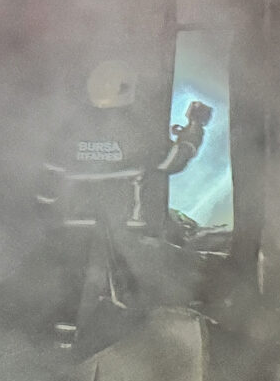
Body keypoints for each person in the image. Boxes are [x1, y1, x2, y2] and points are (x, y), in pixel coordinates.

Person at [40, 58, 210, 351]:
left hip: (72, 229)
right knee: (125, 294)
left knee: (71, 292)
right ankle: (120, 356)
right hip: (123, 232)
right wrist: (195, 127)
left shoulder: (69, 129)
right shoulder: (136, 129)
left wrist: (48, 215)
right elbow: (174, 160)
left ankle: (63, 354)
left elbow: (48, 185)